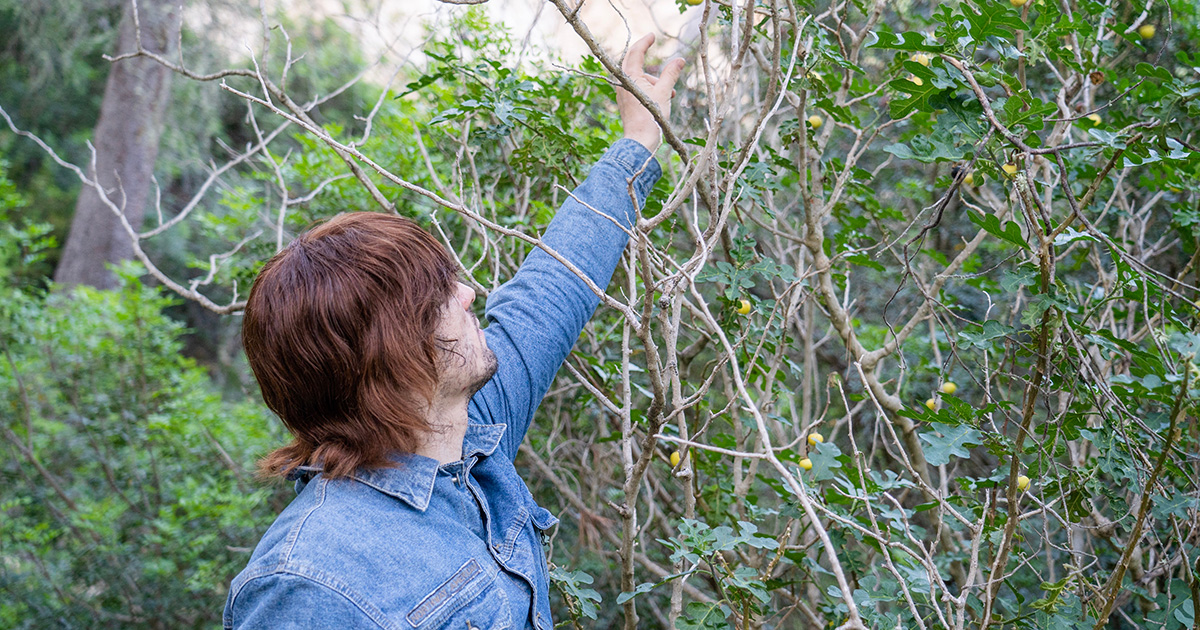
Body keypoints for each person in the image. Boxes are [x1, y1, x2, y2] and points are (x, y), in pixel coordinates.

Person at [223, 34, 684, 630]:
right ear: (393, 354)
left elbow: (553, 290)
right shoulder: (307, 582)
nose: (469, 294)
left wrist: (638, 142)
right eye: (442, 293)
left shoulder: (466, 435)